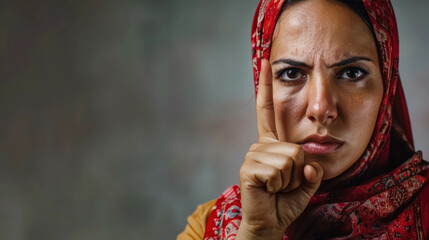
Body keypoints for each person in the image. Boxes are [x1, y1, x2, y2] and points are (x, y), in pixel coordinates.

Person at [178, 0, 429, 239]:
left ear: (387, 85)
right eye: (292, 73)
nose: (320, 108)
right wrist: (258, 234)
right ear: (261, 82)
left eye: (352, 73)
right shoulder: (206, 227)